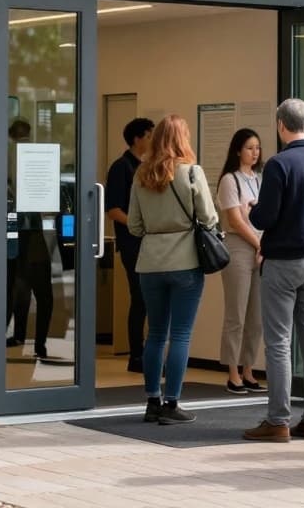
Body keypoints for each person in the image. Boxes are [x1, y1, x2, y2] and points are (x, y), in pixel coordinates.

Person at [244, 99, 304, 443]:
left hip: (283, 262)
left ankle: (278, 420)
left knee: (279, 342)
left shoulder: (279, 165)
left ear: (281, 126)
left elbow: (265, 217)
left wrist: (254, 210)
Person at [127, 115, 217, 425]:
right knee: (180, 335)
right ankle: (172, 404)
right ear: (183, 139)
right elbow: (208, 218)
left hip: (150, 263)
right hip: (186, 262)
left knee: (154, 334)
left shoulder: (140, 174)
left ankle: (152, 401)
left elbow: (135, 226)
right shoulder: (192, 173)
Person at [217, 127, 266, 394]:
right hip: (238, 247)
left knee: (256, 315)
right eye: (249, 147)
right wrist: (260, 244)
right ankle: (232, 372)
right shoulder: (229, 180)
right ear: (238, 150)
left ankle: (249, 369)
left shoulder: (260, 179)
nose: (254, 152)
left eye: (257, 147)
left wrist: (263, 245)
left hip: (260, 248)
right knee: (236, 313)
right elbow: (235, 220)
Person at [106, 118, 156, 373]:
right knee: (140, 298)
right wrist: (137, 226)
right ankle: (136, 355)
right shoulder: (121, 167)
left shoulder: (146, 167)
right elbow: (113, 209)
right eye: (149, 135)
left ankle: (147, 353)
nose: (152, 140)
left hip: (149, 243)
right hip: (132, 243)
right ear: (137, 138)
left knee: (149, 299)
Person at [6, 119, 53, 359]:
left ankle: (12, 335)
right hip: (32, 231)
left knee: (13, 287)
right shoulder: (37, 156)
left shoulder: (2, 156)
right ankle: (40, 344)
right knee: (43, 293)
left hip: (10, 231)